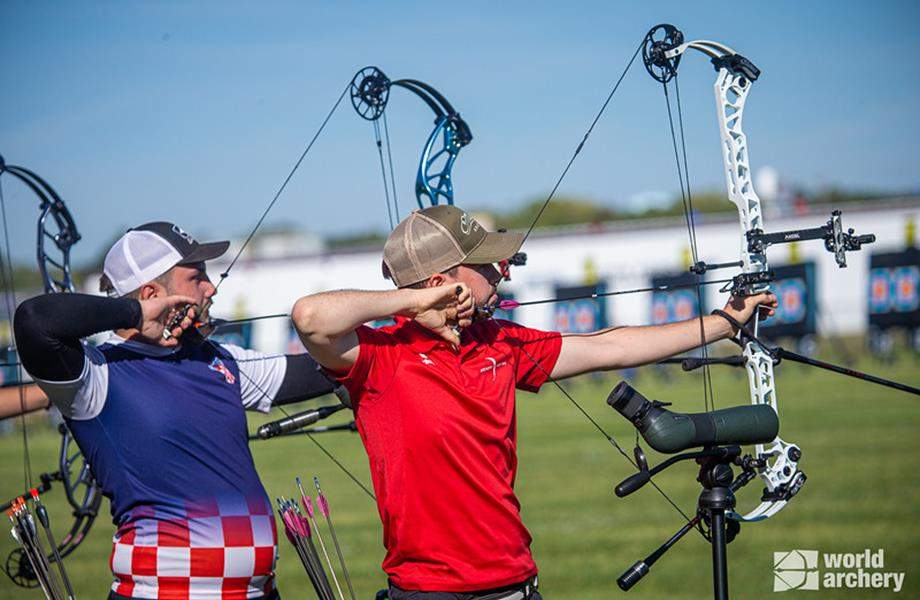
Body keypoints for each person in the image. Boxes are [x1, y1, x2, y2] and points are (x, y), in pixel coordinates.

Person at [291, 205, 777, 600]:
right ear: (443, 280)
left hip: (514, 583)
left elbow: (609, 346)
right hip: (427, 591)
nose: (498, 271)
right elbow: (310, 316)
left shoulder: (498, 341)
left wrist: (723, 323)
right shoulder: (379, 355)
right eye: (482, 265)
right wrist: (415, 304)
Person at [14, 221, 336, 600]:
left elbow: (320, 371)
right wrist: (133, 313)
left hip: (259, 593)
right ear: (151, 293)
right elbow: (35, 320)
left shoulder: (219, 361)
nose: (211, 288)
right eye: (196, 277)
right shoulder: (95, 377)